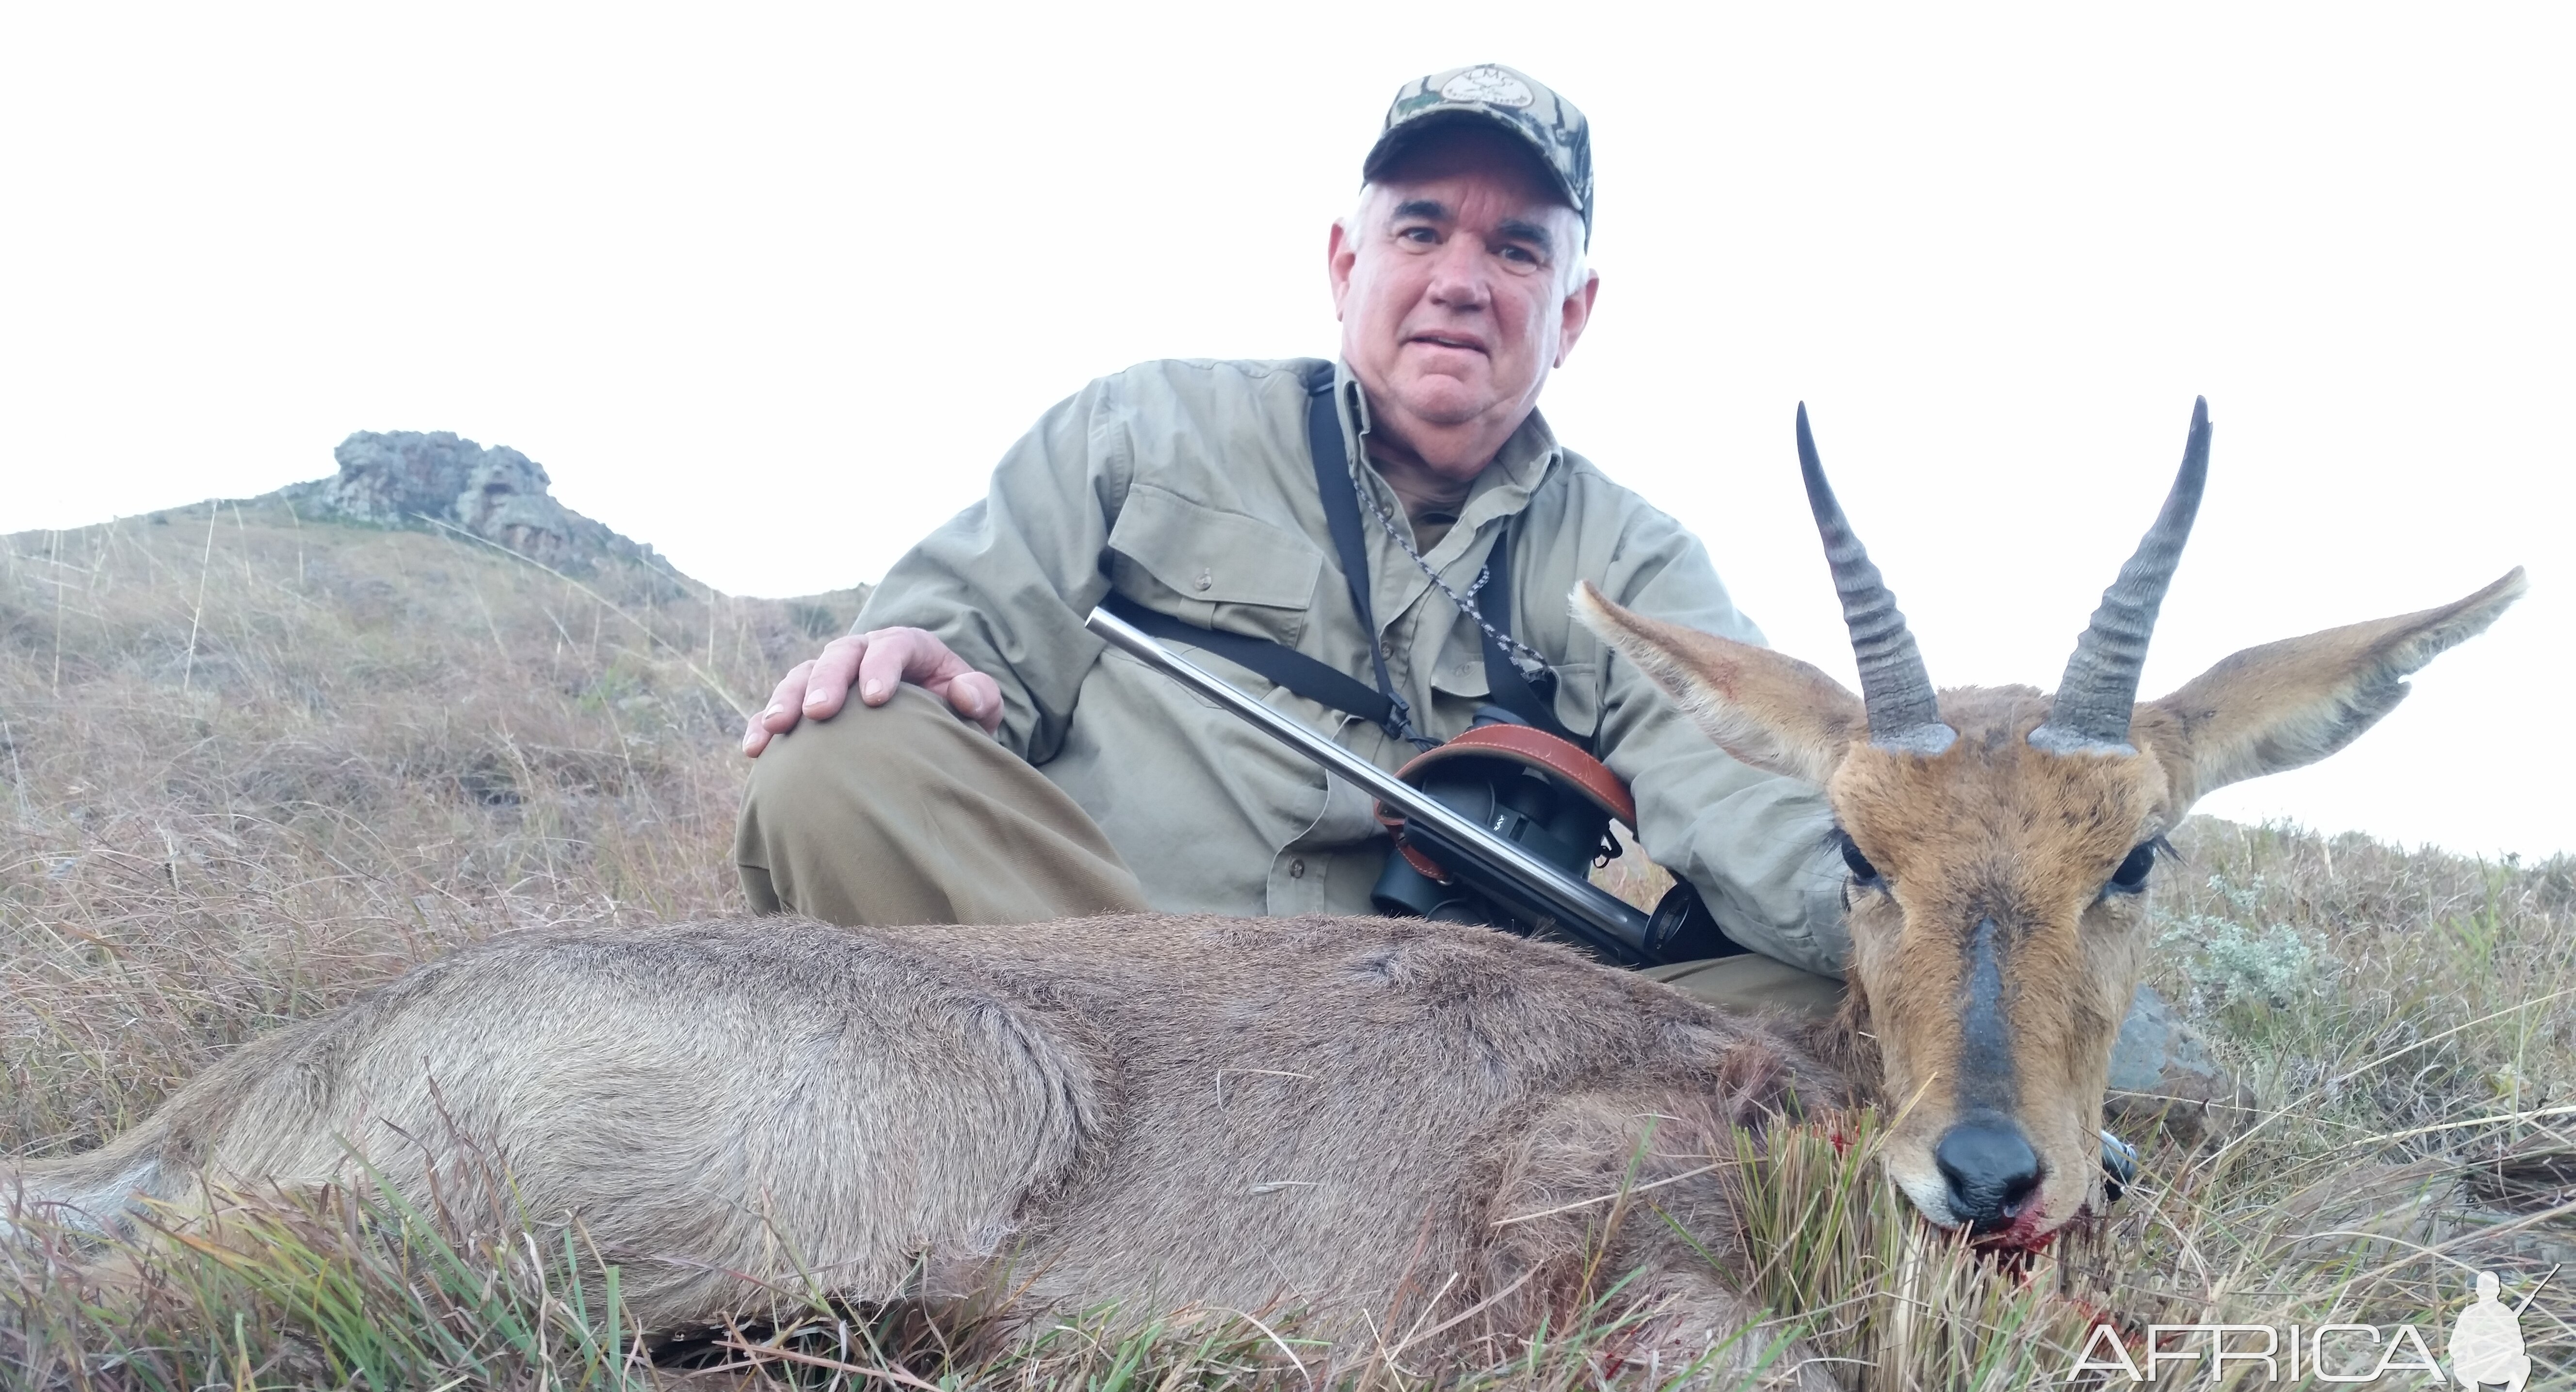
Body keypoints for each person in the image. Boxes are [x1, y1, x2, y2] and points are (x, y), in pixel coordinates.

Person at [734, 63, 1847, 1013]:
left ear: (1571, 313)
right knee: (836, 760)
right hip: (1095, 992)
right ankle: (1116, 1120)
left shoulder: (1639, 562)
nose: (1459, 282)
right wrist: (918, 662)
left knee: (1858, 994)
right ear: (1343, 264)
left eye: (1516, 251)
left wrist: (1906, 901)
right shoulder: (1141, 429)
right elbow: (960, 642)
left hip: (1448, 1050)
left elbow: (1742, 802)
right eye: (1419, 230)